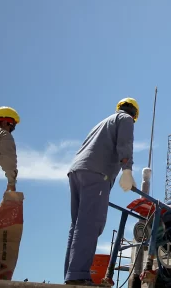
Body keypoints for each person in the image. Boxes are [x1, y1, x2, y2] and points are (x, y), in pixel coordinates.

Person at [64, 98, 139, 286]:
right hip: (97, 174)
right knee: (90, 223)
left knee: (77, 225)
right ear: (134, 114)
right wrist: (127, 170)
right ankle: (78, 276)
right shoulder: (126, 120)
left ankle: (72, 273)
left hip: (77, 171)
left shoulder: (103, 123)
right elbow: (124, 142)